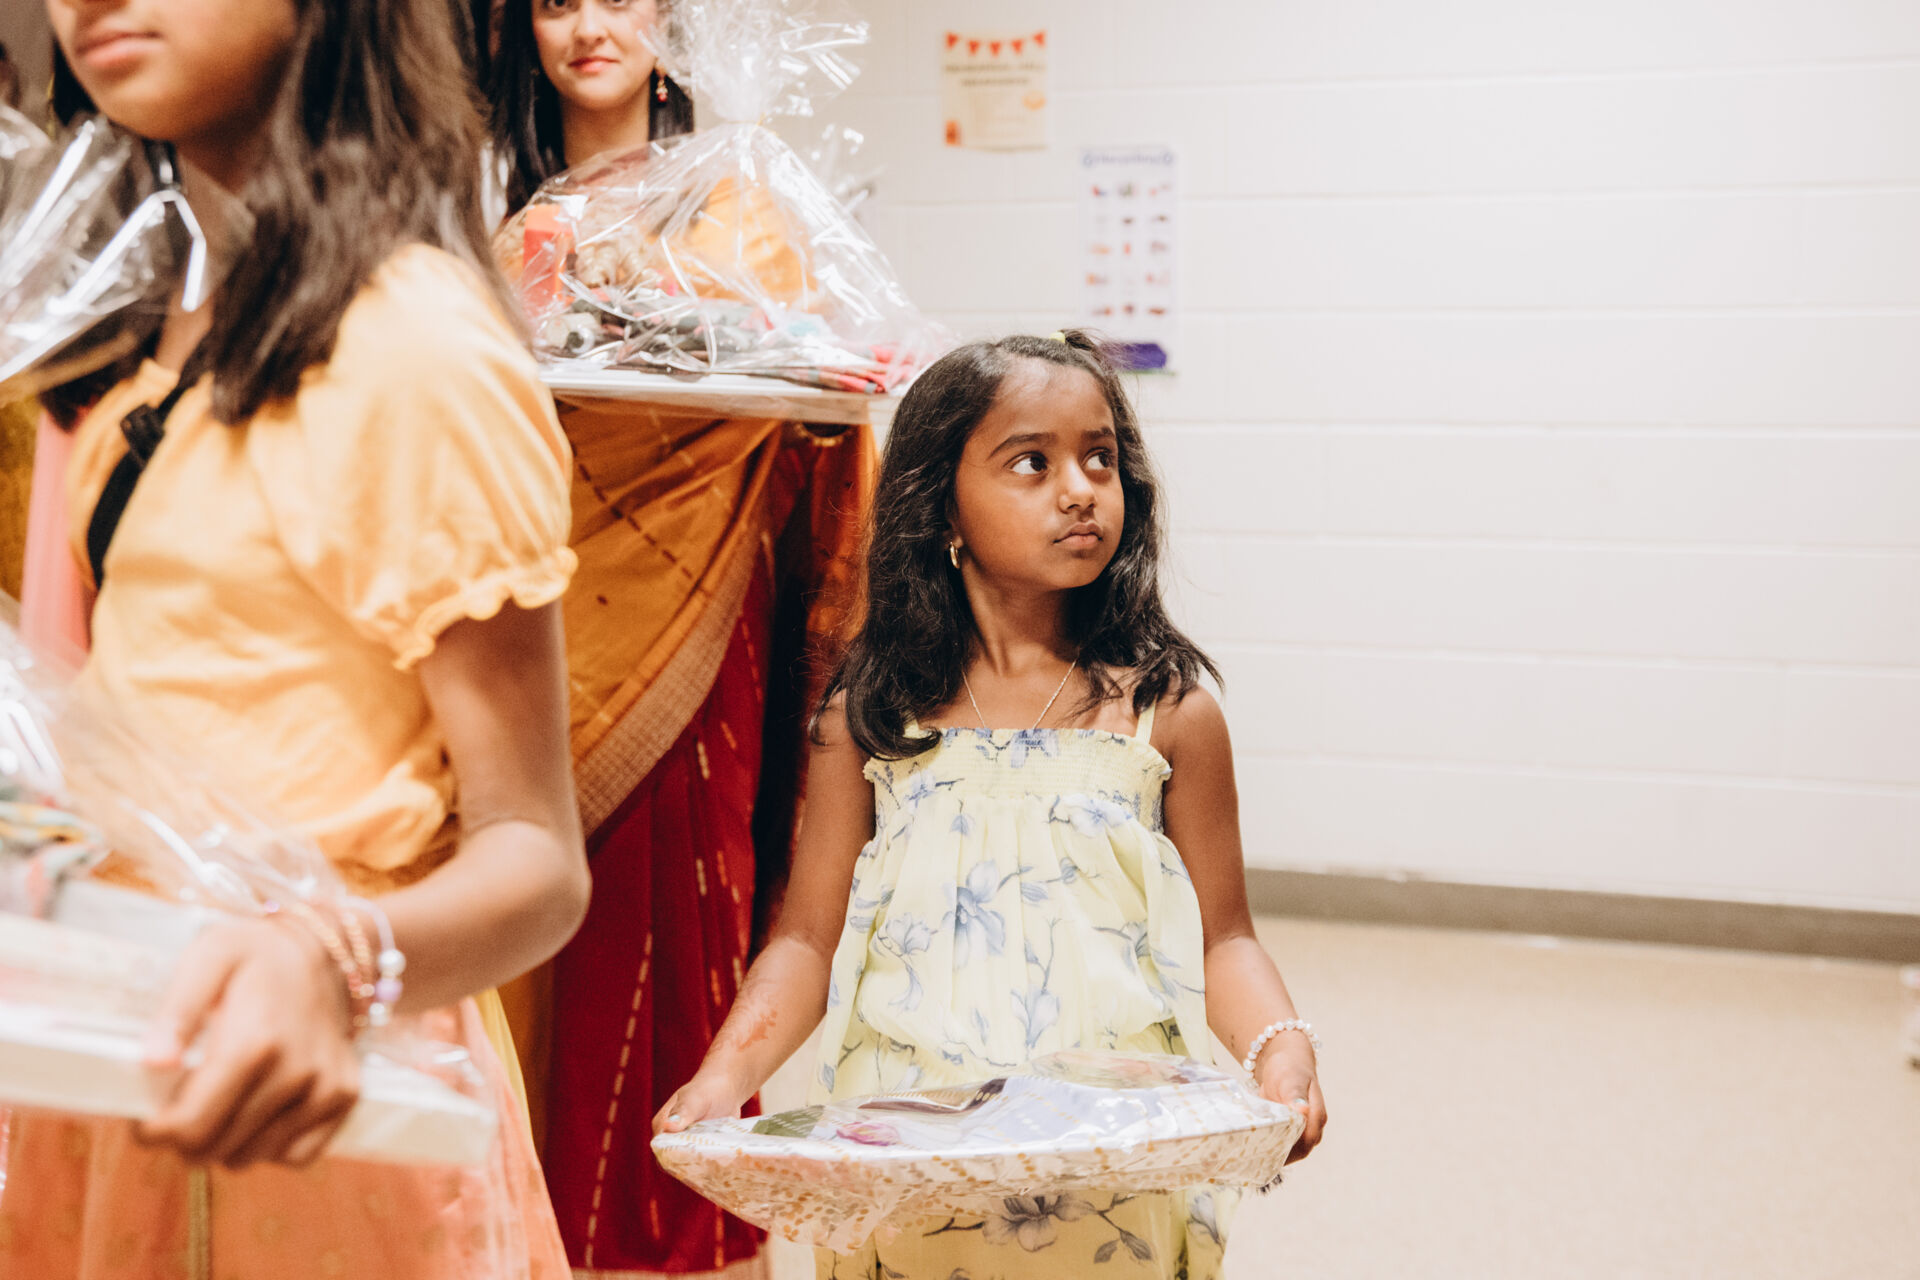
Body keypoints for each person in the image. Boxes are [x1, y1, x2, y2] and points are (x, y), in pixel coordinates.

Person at [4, 1, 587, 1275]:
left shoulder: (413, 342)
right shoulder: (140, 339)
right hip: (123, 1057)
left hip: (322, 1098)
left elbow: (537, 857)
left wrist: (326, 960)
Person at [656, 332, 1330, 1279]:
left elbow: (1227, 940)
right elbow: (805, 941)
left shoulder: (1166, 713)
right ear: (942, 505)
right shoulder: (871, 721)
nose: (1080, 490)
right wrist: (725, 1078)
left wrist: (1280, 1049)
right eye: (1031, 462)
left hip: (1109, 1151)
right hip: (915, 1145)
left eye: (1101, 458)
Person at [485, 2, 876, 1277]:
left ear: (670, 22)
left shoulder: (741, 212)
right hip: (535, 616)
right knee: (521, 923)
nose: (588, 26)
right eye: (556, 1)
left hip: (696, 623)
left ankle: (673, 1239)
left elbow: (801, 406)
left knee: (666, 915)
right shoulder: (514, 227)